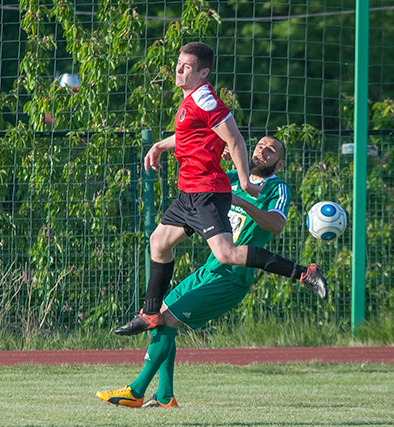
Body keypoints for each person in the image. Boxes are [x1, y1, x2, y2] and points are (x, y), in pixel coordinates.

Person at [114, 42, 327, 336]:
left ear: (203, 72)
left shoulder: (205, 99)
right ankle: (150, 313)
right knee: (159, 242)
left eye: (186, 66)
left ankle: (303, 272)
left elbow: (236, 139)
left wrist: (246, 181)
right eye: (179, 63)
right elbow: (188, 134)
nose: (178, 69)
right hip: (188, 192)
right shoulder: (190, 99)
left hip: (207, 192)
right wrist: (160, 145)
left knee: (226, 253)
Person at [99, 135, 292, 407]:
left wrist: (240, 201)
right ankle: (165, 397)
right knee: (158, 315)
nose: (263, 151)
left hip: (232, 277)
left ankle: (136, 391)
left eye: (271, 151)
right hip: (209, 269)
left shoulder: (277, 188)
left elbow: (276, 224)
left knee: (167, 319)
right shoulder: (230, 178)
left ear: (280, 163)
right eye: (260, 146)